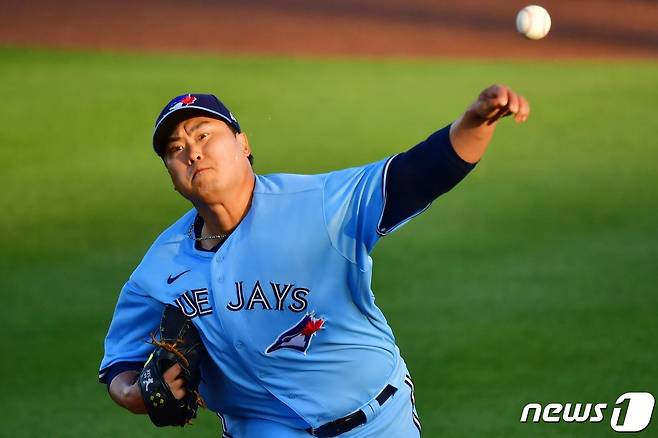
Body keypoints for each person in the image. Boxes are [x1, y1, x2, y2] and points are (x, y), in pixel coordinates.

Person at [99, 86, 530, 437]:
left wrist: (475, 122)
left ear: (243, 143)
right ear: (172, 176)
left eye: (203, 134)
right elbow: (121, 363)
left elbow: (417, 174)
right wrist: (133, 393)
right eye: (176, 148)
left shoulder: (316, 205)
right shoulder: (159, 268)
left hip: (375, 420)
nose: (192, 152)